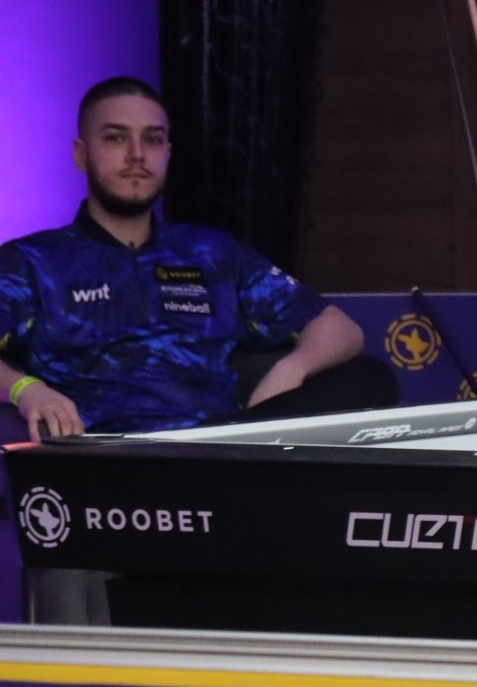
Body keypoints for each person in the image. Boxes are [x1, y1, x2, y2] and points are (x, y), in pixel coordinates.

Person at [0, 76, 394, 441]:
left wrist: (292, 369)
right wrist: (25, 389)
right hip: (107, 452)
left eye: (153, 139)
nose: (137, 155)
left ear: (168, 153)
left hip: (219, 445)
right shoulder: (33, 261)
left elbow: (339, 328)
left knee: (370, 378)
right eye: (116, 138)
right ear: (81, 155)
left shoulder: (210, 252)